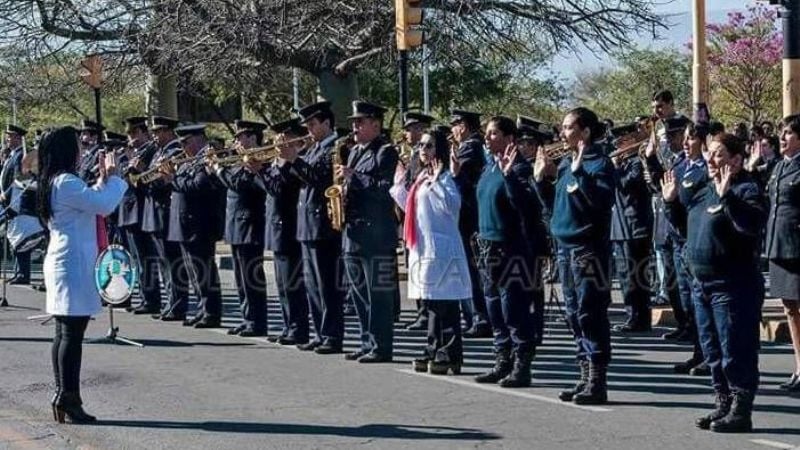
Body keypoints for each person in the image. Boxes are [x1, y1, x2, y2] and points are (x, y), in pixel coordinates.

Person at [663, 133, 766, 433]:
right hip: (702, 285)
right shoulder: (703, 190)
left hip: (733, 286)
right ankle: (722, 404)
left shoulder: (747, 189)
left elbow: (750, 225)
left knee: (736, 349)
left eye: (719, 154)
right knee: (712, 351)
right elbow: (687, 228)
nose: (710, 159)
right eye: (709, 153)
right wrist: (671, 204)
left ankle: (740, 410)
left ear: (736, 160)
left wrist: (728, 198)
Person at [37, 126, 128, 423]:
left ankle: (64, 394)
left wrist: (102, 182)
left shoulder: (54, 180)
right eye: (77, 145)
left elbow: (90, 200)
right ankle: (68, 397)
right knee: (71, 334)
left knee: (64, 333)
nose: (81, 150)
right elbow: (102, 204)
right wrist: (114, 179)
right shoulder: (65, 181)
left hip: (66, 260)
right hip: (72, 263)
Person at [535, 107, 615, 404]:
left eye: (569, 127)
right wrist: (542, 181)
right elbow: (556, 207)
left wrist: (581, 175)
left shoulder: (600, 164)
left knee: (590, 313)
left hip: (588, 250)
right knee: (573, 314)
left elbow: (598, 204)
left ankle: (597, 380)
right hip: (565, 249)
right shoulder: (568, 162)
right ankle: (583, 376)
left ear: (585, 132)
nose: (562, 133)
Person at [471, 116, 546, 388]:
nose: (487, 138)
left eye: (493, 134)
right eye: (487, 134)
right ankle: (501, 362)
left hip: (512, 248)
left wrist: (510, 176)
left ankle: (521, 365)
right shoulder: (489, 168)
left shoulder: (520, 168)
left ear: (509, 138)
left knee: (513, 309)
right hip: (487, 247)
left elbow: (526, 208)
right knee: (494, 308)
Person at [391, 130, 470, 374]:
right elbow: (412, 209)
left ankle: (450, 353)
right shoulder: (422, 176)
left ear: (440, 150)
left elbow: (452, 206)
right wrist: (399, 186)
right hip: (424, 249)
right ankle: (433, 346)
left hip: (442, 250)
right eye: (422, 145)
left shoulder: (444, 176)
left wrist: (437, 182)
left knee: (445, 304)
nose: (423, 149)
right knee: (430, 303)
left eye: (430, 145)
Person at [280, 101, 345, 353]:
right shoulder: (313, 148)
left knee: (327, 284)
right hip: (307, 224)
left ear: (326, 123)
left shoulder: (334, 148)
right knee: (313, 284)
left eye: (312, 124)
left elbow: (318, 179)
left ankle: (332, 335)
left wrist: (294, 158)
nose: (308, 129)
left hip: (323, 225)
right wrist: (286, 161)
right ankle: (320, 332)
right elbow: (295, 180)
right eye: (306, 125)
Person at [337, 100, 400, 363]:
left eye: (360, 122)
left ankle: (381, 345)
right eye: (353, 122)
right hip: (353, 232)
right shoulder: (354, 151)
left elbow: (385, 189)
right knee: (359, 294)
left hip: (376, 234)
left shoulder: (386, 152)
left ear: (376, 124)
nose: (355, 126)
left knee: (379, 296)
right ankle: (366, 341)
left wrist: (354, 177)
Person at [162, 124, 225, 328]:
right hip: (185, 223)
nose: (183, 147)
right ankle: (201, 308)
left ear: (198, 139)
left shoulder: (207, 158)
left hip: (200, 224)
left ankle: (211, 312)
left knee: (204, 271)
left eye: (186, 142)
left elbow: (199, 185)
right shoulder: (189, 161)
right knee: (192, 271)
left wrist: (173, 179)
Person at [254, 118, 309, 345]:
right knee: (282, 285)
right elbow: (269, 187)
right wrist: (260, 171)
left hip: (290, 228)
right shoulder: (278, 164)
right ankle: (289, 326)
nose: (278, 142)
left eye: (284, 137)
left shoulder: (296, 164)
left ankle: (298, 328)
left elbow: (278, 190)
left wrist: (263, 170)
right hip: (276, 229)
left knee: (292, 284)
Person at [212, 120, 269, 337]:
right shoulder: (239, 162)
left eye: (241, 137)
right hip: (236, 225)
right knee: (240, 277)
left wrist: (218, 169)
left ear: (253, 138)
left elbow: (239, 183)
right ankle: (248, 318)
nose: (236, 141)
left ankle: (257, 321)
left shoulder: (257, 160)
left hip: (250, 224)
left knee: (251, 277)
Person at [142, 117, 190, 321]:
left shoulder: (173, 152)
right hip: (155, 211)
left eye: (158, 131)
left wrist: (157, 178)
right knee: (163, 263)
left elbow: (164, 183)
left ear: (169, 132)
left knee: (172, 262)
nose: (154, 135)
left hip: (165, 211)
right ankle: (171, 303)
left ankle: (178, 305)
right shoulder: (158, 152)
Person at [766, 114, 800, 395]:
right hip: (779, 244)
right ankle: (799, 367)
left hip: (797, 245)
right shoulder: (778, 167)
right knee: (790, 309)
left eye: (788, 133)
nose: (781, 137)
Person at [609, 122, 653, 332]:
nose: (618, 145)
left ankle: (640, 317)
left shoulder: (636, 162)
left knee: (636, 275)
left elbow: (627, 184)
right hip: (620, 226)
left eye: (622, 140)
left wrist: (617, 168)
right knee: (626, 274)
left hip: (635, 225)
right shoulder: (622, 162)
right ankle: (632, 315)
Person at [449, 109, 490, 337]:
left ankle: (480, 317)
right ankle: (476, 316)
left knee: (473, 270)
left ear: (463, 125)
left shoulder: (471, 146)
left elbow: (460, 178)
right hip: (467, 215)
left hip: (469, 215)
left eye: (455, 125)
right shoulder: (468, 146)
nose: (453, 130)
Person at [118, 117, 161, 315]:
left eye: (134, 133)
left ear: (145, 133)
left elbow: (143, 179)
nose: (131, 138)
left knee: (146, 259)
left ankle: (151, 299)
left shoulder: (150, 151)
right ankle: (144, 296)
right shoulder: (131, 153)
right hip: (128, 210)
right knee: (136, 258)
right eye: (129, 134)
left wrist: (136, 167)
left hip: (141, 209)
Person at [1, 124, 31, 284]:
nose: (7, 138)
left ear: (18, 138)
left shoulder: (21, 156)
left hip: (16, 201)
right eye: (7, 136)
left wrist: (6, 195)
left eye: (10, 136)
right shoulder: (12, 155)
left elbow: (19, 179)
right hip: (9, 201)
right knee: (15, 237)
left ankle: (23, 273)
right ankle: (18, 271)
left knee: (21, 238)